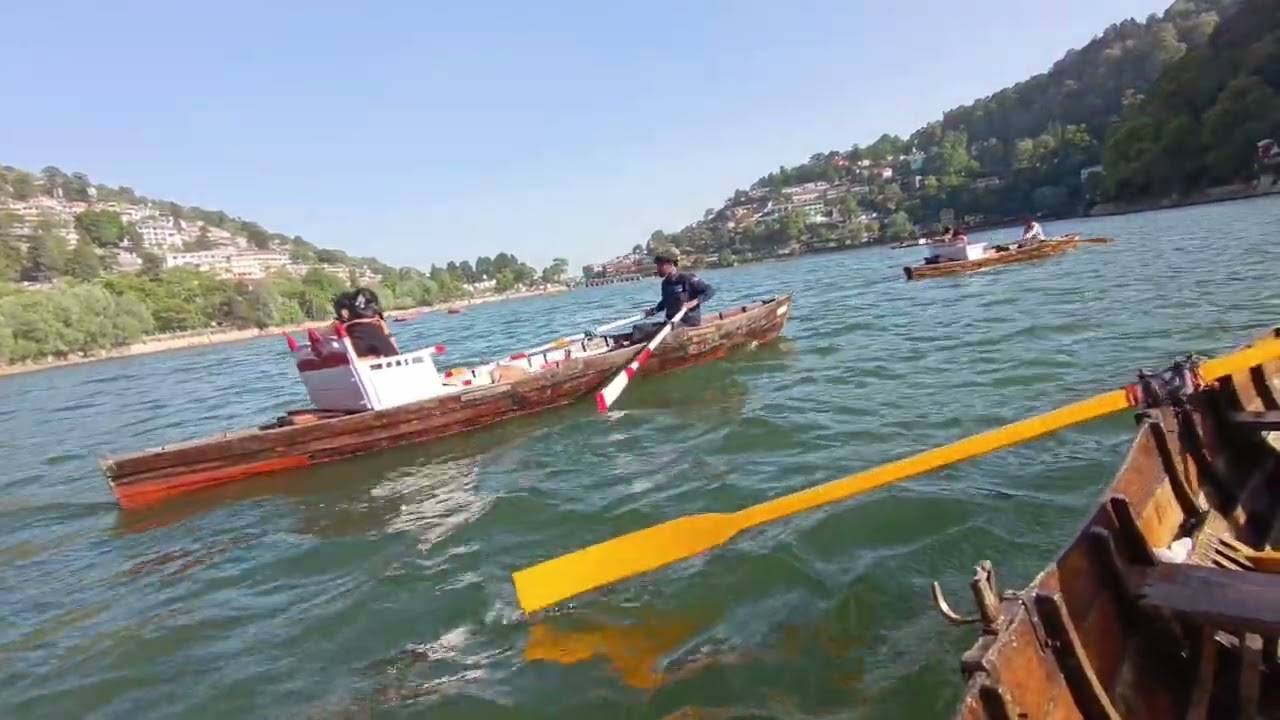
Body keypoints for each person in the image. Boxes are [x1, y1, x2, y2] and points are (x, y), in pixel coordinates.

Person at [623, 254, 715, 344]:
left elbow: (710, 290)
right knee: (639, 328)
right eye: (657, 266)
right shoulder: (665, 283)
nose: (658, 269)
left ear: (670, 265)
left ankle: (629, 342)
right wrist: (654, 310)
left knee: (649, 331)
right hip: (671, 323)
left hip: (688, 323)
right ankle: (625, 342)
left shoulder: (687, 279)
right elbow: (665, 302)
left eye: (660, 266)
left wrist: (694, 302)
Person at [333, 287, 400, 358]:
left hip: (369, 364)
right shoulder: (378, 322)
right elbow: (393, 344)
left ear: (345, 313)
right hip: (393, 359)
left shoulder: (345, 327)